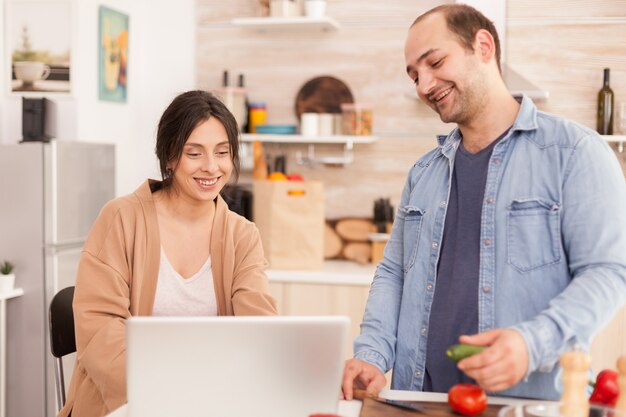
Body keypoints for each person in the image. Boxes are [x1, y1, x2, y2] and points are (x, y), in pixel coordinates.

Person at [342, 4, 626, 401]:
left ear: (484, 46)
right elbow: (394, 273)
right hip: (420, 402)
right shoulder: (424, 172)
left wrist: (531, 344)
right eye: (414, 75)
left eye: (435, 61)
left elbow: (608, 272)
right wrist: (371, 354)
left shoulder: (575, 152)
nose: (424, 85)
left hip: (526, 404)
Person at [58, 90, 277, 417]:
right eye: (194, 153)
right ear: (169, 156)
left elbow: (259, 329)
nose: (211, 167)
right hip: (127, 402)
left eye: (222, 152)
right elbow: (100, 330)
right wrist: (166, 399)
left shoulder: (242, 235)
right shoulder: (121, 219)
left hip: (211, 401)